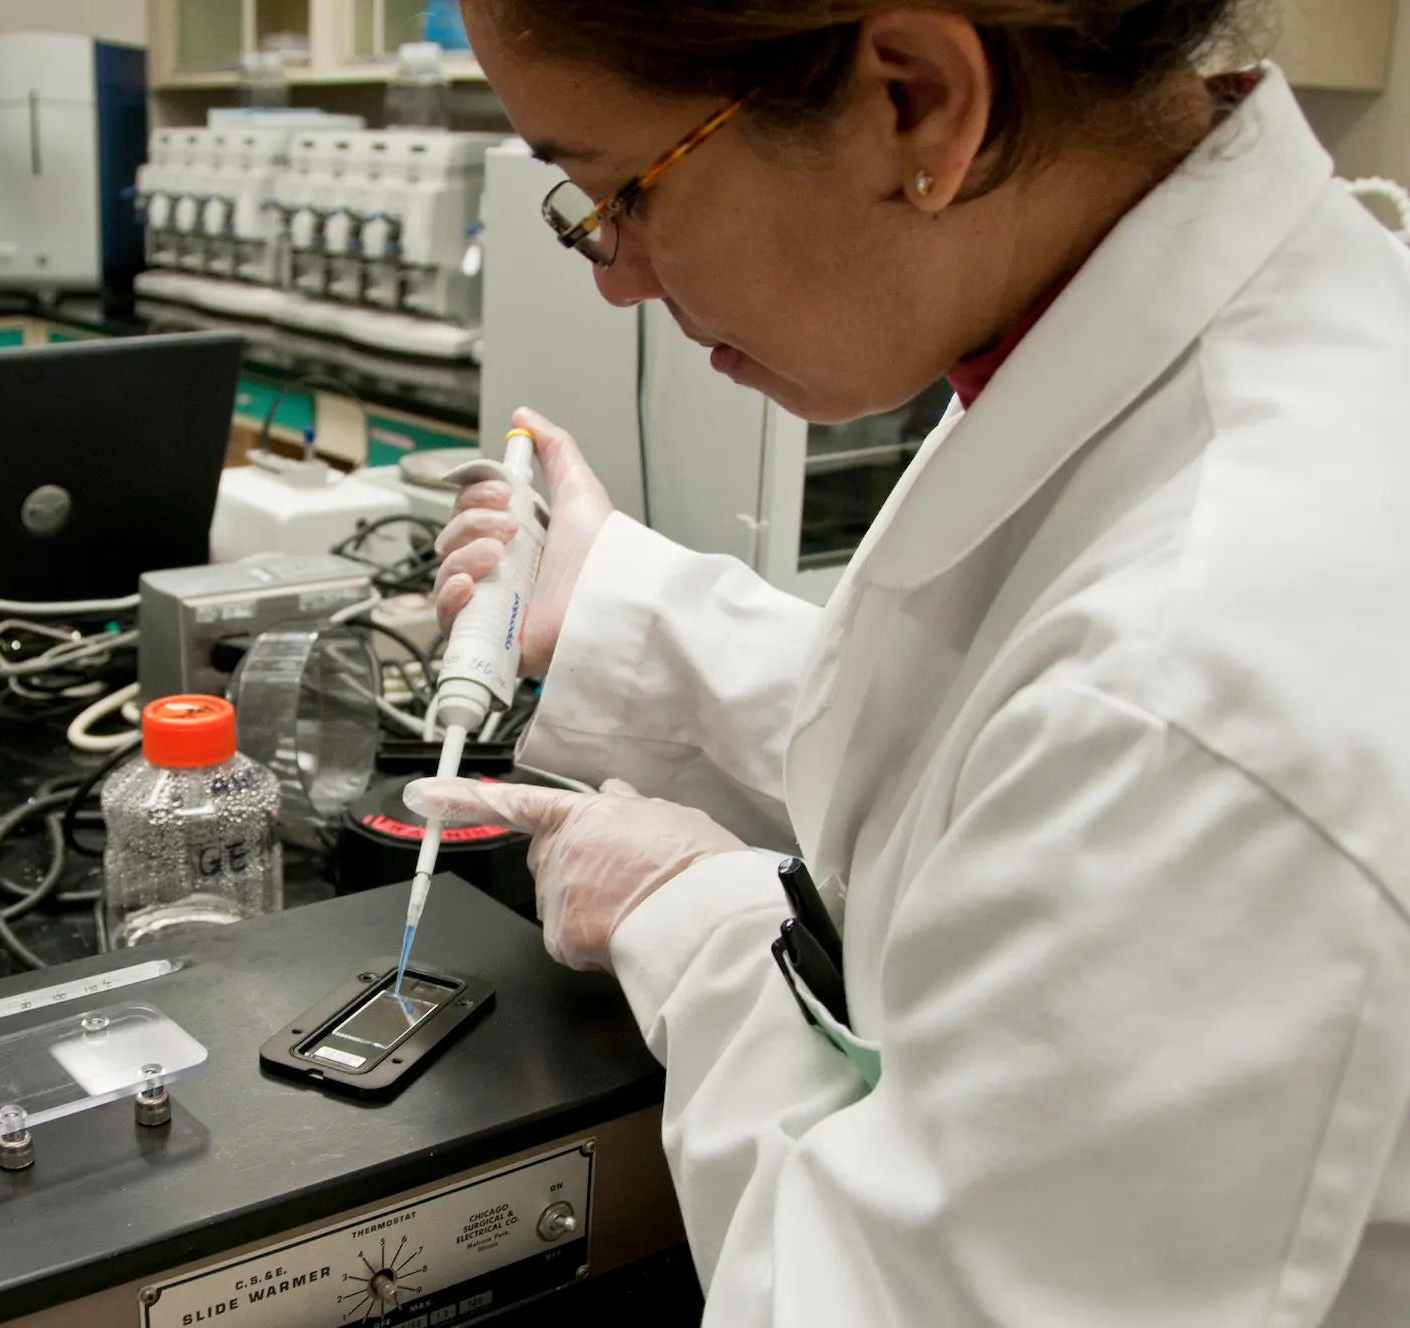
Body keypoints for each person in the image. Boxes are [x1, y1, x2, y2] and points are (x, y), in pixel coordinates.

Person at [406, 2, 1410, 1322]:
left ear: (918, 101)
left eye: (619, 192)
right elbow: (1008, 729)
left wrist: (691, 921)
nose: (615, 274)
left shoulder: (1208, 673)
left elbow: (869, 1303)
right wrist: (626, 605)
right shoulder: (1155, 337)